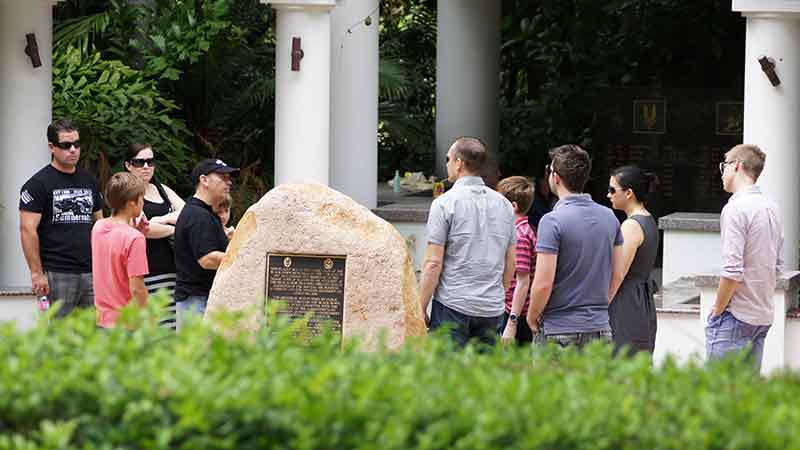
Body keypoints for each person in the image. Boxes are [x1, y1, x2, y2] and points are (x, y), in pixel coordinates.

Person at [418, 137, 516, 348]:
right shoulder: (505, 205)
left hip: (452, 304)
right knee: (484, 379)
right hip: (491, 307)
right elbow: (511, 263)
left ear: (459, 163)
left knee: (449, 378)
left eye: (448, 159)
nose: (447, 164)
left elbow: (433, 263)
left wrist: (420, 307)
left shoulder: (444, 204)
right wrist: (497, 293)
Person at [526, 144, 625, 349]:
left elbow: (543, 282)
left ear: (556, 177)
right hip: (599, 328)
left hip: (558, 328)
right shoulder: (610, 218)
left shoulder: (551, 221)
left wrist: (532, 315)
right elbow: (617, 274)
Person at [707, 144, 783, 371]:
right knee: (745, 399)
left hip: (734, 316)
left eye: (724, 166)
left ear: (737, 166)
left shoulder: (736, 208)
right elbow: (777, 266)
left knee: (717, 397)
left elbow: (731, 272)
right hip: (761, 316)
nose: (722, 173)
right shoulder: (772, 207)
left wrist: (717, 311)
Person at [19, 119, 104, 317]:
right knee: (60, 336)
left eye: (77, 144)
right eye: (66, 145)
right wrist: (36, 273)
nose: (73, 149)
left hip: (91, 271)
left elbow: (100, 224)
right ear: (51, 147)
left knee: (93, 337)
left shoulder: (89, 180)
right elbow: (27, 230)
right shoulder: (37, 184)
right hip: (57, 272)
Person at [124, 144, 185, 330]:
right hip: (145, 272)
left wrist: (162, 219)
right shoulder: (126, 191)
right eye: (139, 162)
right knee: (153, 329)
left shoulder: (162, 189)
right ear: (128, 165)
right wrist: (173, 229)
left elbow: (188, 215)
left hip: (172, 269)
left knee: (172, 329)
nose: (145, 166)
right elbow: (141, 228)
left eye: (150, 161)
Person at [173, 158, 239, 329]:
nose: (228, 182)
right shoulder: (198, 215)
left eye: (229, 178)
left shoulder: (204, 212)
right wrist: (243, 260)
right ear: (204, 180)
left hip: (198, 301)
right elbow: (207, 259)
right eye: (223, 177)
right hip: (196, 302)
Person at [607, 166, 660, 355]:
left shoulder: (631, 225)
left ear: (629, 193)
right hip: (641, 301)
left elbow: (618, 273)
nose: (608, 195)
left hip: (627, 303)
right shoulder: (648, 219)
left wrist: (602, 306)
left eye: (613, 190)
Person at [91, 172, 150, 329]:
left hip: (102, 321)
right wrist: (149, 319)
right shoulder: (134, 238)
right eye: (141, 198)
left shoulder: (98, 227)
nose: (143, 202)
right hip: (127, 325)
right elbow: (137, 288)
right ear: (132, 203)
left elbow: (116, 241)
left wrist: (136, 231)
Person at [496, 176, 537, 345]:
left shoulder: (520, 236)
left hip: (515, 314)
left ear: (512, 206)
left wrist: (511, 324)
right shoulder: (522, 231)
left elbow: (523, 282)